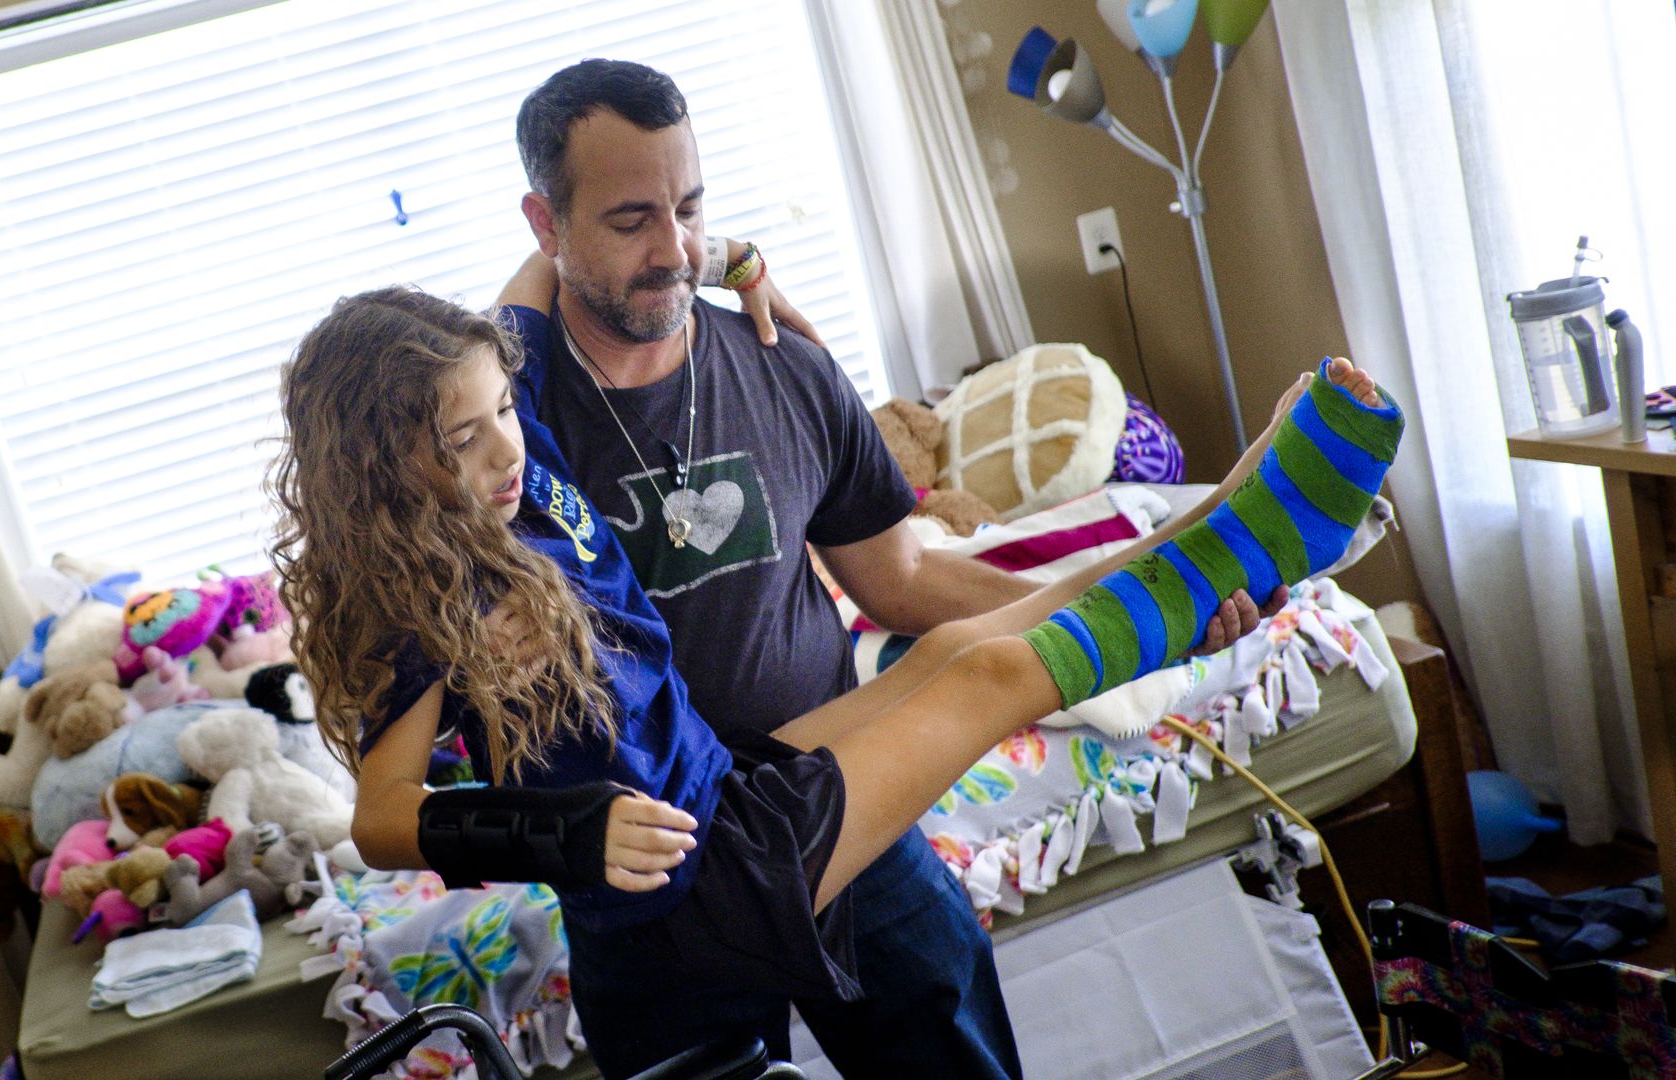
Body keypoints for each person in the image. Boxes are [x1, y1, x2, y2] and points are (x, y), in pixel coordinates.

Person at [269, 280, 1401, 1078]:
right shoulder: (406, 602)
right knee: (987, 679)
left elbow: (567, 258)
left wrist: (728, 266)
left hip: (730, 789)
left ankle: (1221, 528)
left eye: (503, 410)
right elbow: (381, 818)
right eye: (462, 439)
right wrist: (563, 833)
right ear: (380, 468)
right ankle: (1236, 548)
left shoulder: (529, 464)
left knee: (965, 643)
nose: (504, 449)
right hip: (687, 892)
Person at [498, 58, 1285, 1076]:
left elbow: (906, 584)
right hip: (656, 881)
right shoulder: (506, 428)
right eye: (630, 219)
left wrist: (1128, 608)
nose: (675, 249)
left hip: (844, 806)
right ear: (543, 223)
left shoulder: (784, 365)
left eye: (692, 208)